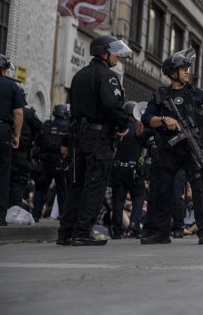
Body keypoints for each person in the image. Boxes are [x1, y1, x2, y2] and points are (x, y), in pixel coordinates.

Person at [139, 48, 203, 245]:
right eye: (183, 69)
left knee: (199, 188)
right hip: (168, 150)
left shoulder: (194, 92)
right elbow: (146, 119)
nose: (187, 72)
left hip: (190, 148)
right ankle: (161, 232)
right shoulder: (160, 94)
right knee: (163, 190)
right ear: (172, 72)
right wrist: (163, 119)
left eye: (187, 68)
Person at [58, 35, 131, 246]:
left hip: (78, 137)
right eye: (114, 51)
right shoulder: (107, 76)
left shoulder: (79, 75)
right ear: (103, 53)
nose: (117, 56)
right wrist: (123, 125)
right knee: (95, 185)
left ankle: (66, 232)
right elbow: (112, 106)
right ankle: (82, 232)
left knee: (76, 185)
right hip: (98, 139)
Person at [109, 101, 151, 238]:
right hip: (133, 170)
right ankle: (133, 222)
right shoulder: (137, 129)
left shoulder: (119, 128)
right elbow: (147, 145)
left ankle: (116, 228)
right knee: (139, 196)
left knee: (118, 199)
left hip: (117, 168)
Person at [0, 53, 25, 226]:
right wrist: (16, 136)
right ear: (1, 69)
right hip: (2, 129)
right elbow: (19, 113)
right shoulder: (11, 86)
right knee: (2, 172)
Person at [32, 104, 69, 221]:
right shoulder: (67, 127)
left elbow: (37, 143)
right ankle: (62, 216)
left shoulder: (46, 126)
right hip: (60, 162)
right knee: (62, 191)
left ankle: (36, 214)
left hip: (45, 162)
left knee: (41, 189)